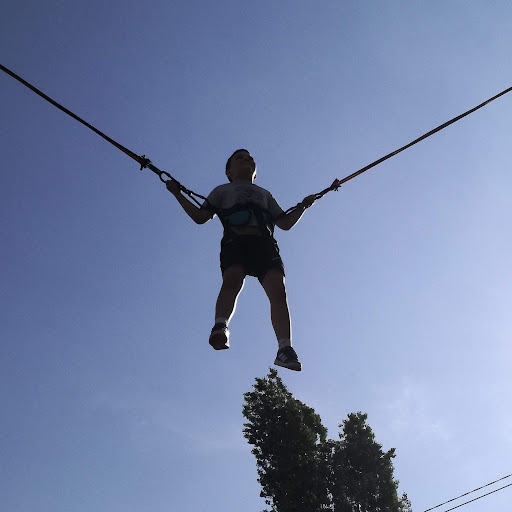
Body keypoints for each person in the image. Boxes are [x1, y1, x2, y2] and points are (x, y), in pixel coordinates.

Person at [167, 149, 334, 371]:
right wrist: (177, 193)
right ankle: (220, 326)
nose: (246, 159)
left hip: (264, 244)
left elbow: (284, 223)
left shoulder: (265, 194)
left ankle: (285, 348)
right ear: (228, 171)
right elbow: (200, 217)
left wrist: (303, 206)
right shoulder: (221, 191)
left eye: (250, 158)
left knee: (278, 291)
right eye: (240, 158)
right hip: (236, 242)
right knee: (232, 281)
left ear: (256, 173)